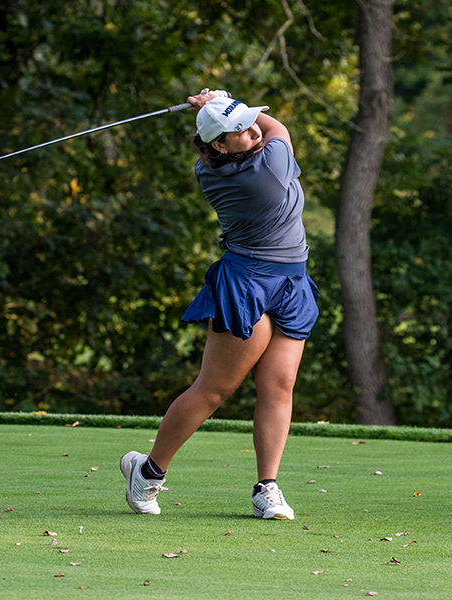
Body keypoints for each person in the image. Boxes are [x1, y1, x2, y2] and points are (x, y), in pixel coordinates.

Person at [120, 89, 319, 520]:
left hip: (291, 280)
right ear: (219, 145)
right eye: (238, 131)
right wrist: (220, 97)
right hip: (248, 282)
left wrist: (218, 107)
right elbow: (278, 127)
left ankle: (267, 488)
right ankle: (149, 472)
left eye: (249, 124)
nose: (252, 132)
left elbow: (255, 128)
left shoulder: (209, 167)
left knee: (280, 384)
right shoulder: (267, 169)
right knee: (214, 389)